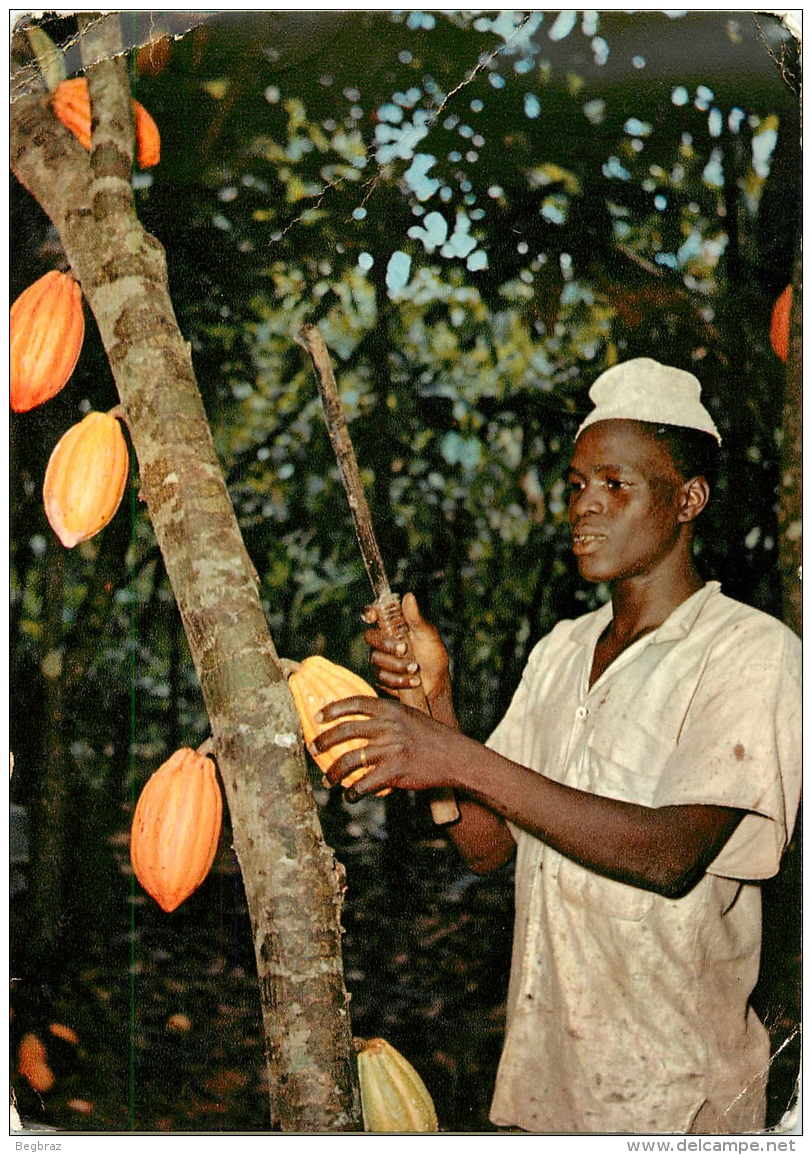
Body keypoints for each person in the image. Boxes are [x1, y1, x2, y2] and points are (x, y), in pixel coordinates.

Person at [312, 358, 802, 1135]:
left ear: (689, 500)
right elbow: (487, 843)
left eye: (616, 485)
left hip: (678, 1104)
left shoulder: (750, 651)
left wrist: (453, 755)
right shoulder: (561, 651)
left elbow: (669, 856)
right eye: (577, 485)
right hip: (546, 1089)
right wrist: (431, 702)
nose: (585, 507)